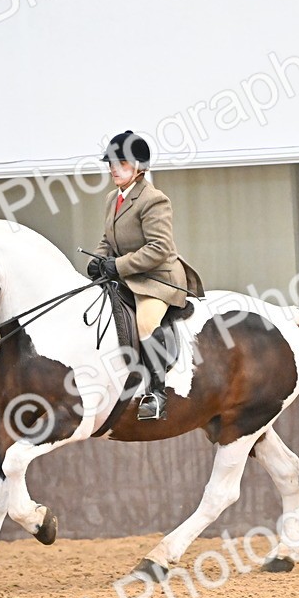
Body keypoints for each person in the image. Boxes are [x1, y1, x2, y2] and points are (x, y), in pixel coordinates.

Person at [89, 130, 204, 421]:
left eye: (121, 163)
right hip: (127, 276)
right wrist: (98, 260)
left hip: (157, 278)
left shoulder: (154, 200)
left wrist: (119, 266)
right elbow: (108, 239)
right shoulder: (112, 198)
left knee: (146, 321)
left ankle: (157, 394)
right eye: (111, 163)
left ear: (139, 167)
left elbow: (159, 248)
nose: (114, 169)